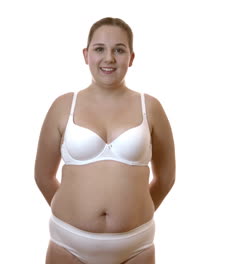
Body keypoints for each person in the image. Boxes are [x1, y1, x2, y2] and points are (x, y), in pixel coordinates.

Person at [34, 17, 175, 264]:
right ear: (86, 55)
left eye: (119, 50)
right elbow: (43, 175)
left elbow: (166, 178)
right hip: (68, 242)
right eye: (100, 49)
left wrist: (134, 210)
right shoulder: (63, 106)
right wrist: (73, 212)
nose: (109, 58)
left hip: (135, 246)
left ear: (131, 58)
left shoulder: (150, 107)